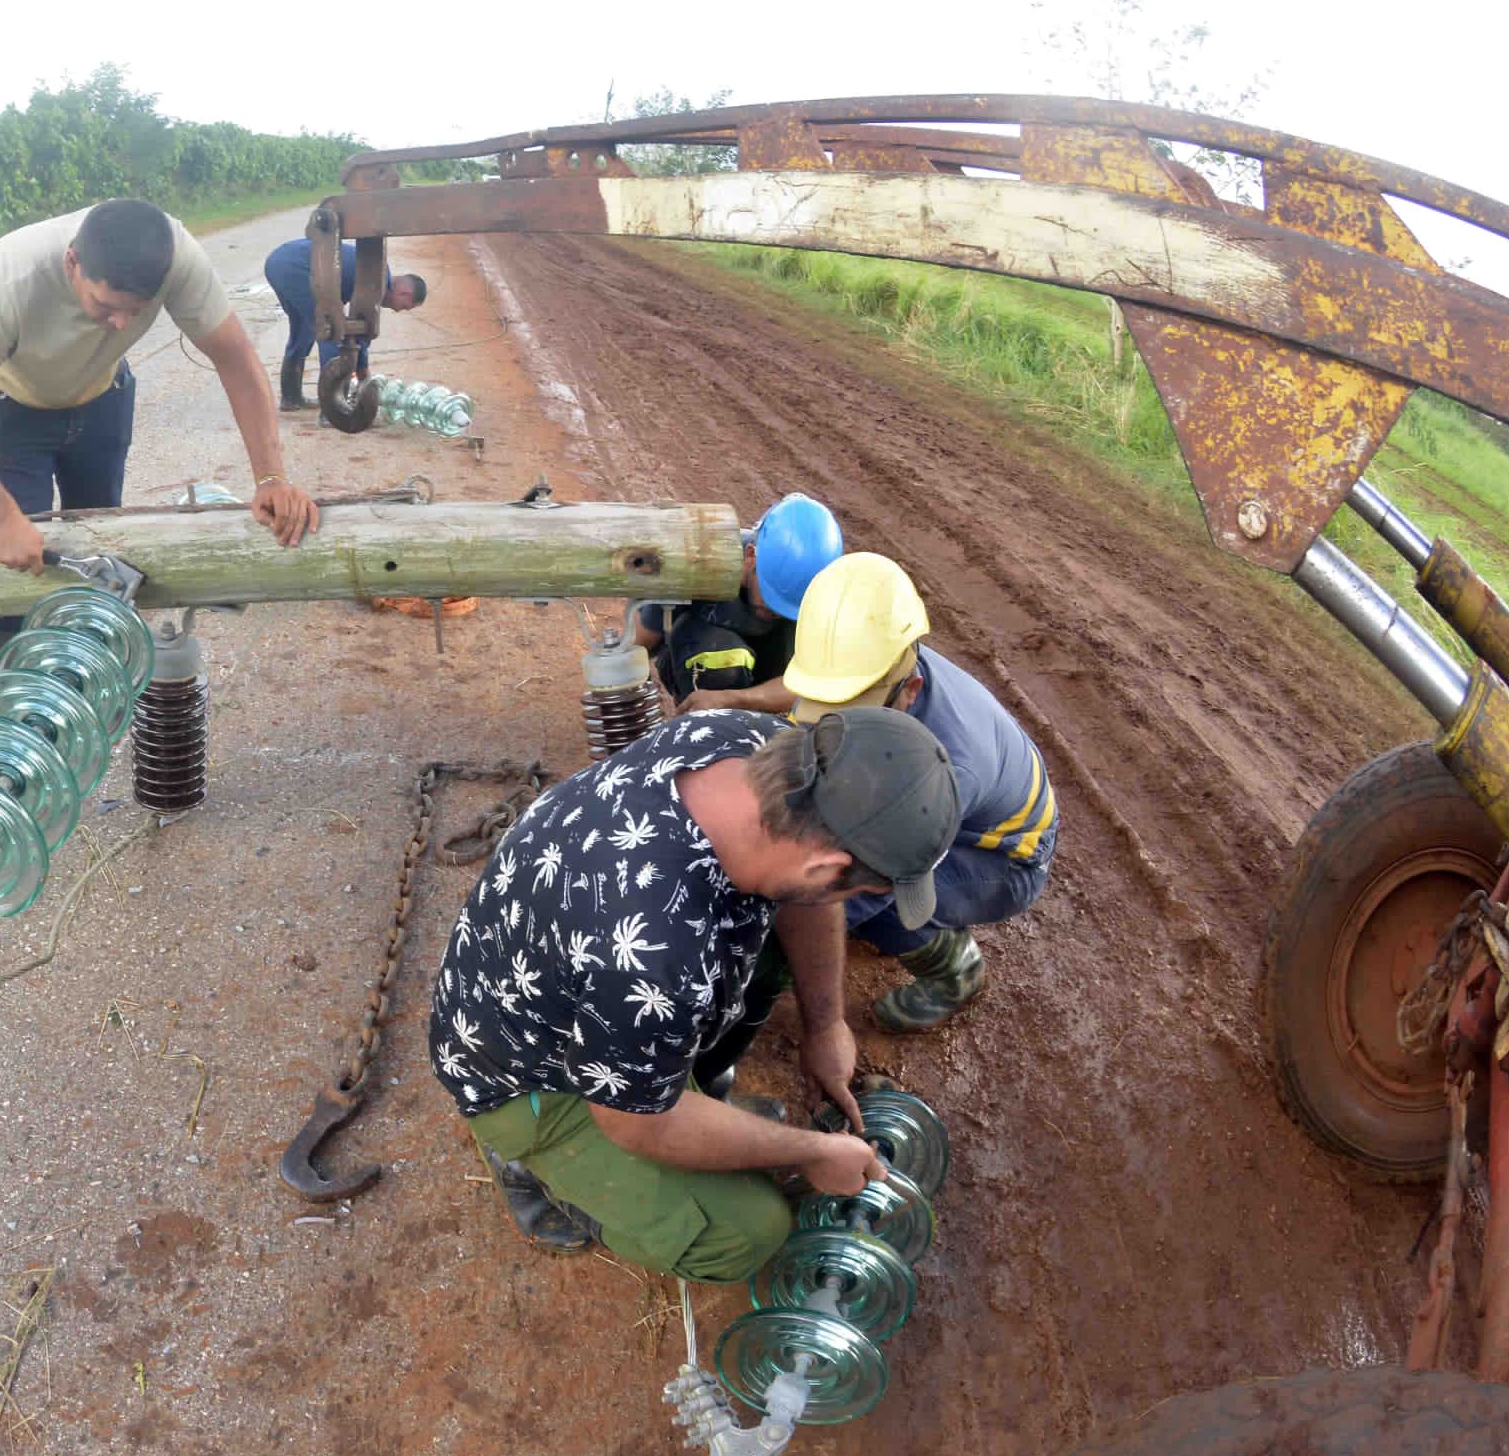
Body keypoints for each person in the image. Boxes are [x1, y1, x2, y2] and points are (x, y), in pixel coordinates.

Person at [429, 706, 960, 1276]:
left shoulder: (760, 745)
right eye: (860, 886)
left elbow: (806, 895)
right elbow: (636, 1123)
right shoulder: (655, 951)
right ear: (826, 865)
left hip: (592, 993)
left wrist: (826, 1023)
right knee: (747, 1233)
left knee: (765, 955)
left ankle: (684, 1091)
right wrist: (811, 1151)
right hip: (525, 1075)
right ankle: (535, 1165)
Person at [0, 199, 322, 661]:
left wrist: (271, 477)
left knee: (102, 542)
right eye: (105, 306)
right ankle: (24, 698)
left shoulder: (176, 257)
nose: (121, 324)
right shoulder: (10, 278)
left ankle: (94, 670)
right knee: (19, 564)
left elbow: (237, 358)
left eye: (136, 310)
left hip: (102, 397)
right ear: (72, 263)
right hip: (8, 408)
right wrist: (1, 516)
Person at [782, 553, 1059, 1032]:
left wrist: (778, 941)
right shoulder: (864, 658)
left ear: (908, 690)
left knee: (873, 900)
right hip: (976, 803)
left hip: (1004, 857)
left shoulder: (947, 768)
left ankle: (957, 971)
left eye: (848, 710)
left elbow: (876, 882)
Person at [636, 493, 842, 714]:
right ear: (751, 555)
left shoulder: (824, 591)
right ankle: (700, 719)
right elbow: (639, 643)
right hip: (702, 654)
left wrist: (735, 699)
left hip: (764, 676)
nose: (776, 610)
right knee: (722, 660)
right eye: (770, 593)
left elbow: (815, 684)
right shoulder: (699, 565)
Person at [261, 237, 427, 411]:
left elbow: (357, 328)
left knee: (303, 329)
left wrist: (362, 369)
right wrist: (364, 373)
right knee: (331, 330)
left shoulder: (377, 272)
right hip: (297, 268)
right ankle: (332, 411)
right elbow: (361, 327)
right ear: (404, 293)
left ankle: (291, 398)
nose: (398, 310)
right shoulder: (377, 280)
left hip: (278, 262)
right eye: (404, 307)